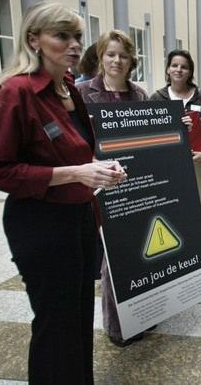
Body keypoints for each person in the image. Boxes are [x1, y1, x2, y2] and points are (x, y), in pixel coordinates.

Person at [0, 2, 127, 384]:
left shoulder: (69, 88)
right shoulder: (16, 91)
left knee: (79, 320)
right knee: (55, 325)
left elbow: (81, 149)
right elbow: (0, 168)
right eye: (62, 36)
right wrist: (76, 173)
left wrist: (102, 170)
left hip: (80, 219)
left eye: (77, 37)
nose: (73, 45)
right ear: (34, 40)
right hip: (41, 224)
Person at [76, 29, 148, 348]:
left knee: (136, 252)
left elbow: (149, 141)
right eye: (110, 54)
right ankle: (117, 326)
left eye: (123, 55)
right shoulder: (81, 93)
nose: (116, 60)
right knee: (110, 258)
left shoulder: (140, 96)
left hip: (135, 186)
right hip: (100, 189)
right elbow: (74, 142)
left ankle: (141, 312)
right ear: (100, 57)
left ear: (131, 60)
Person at [150, 50, 201, 244]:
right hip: (169, 165)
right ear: (167, 69)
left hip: (199, 164)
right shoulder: (157, 98)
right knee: (171, 210)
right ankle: (180, 259)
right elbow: (149, 134)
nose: (179, 70)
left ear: (190, 71)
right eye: (174, 65)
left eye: (184, 66)